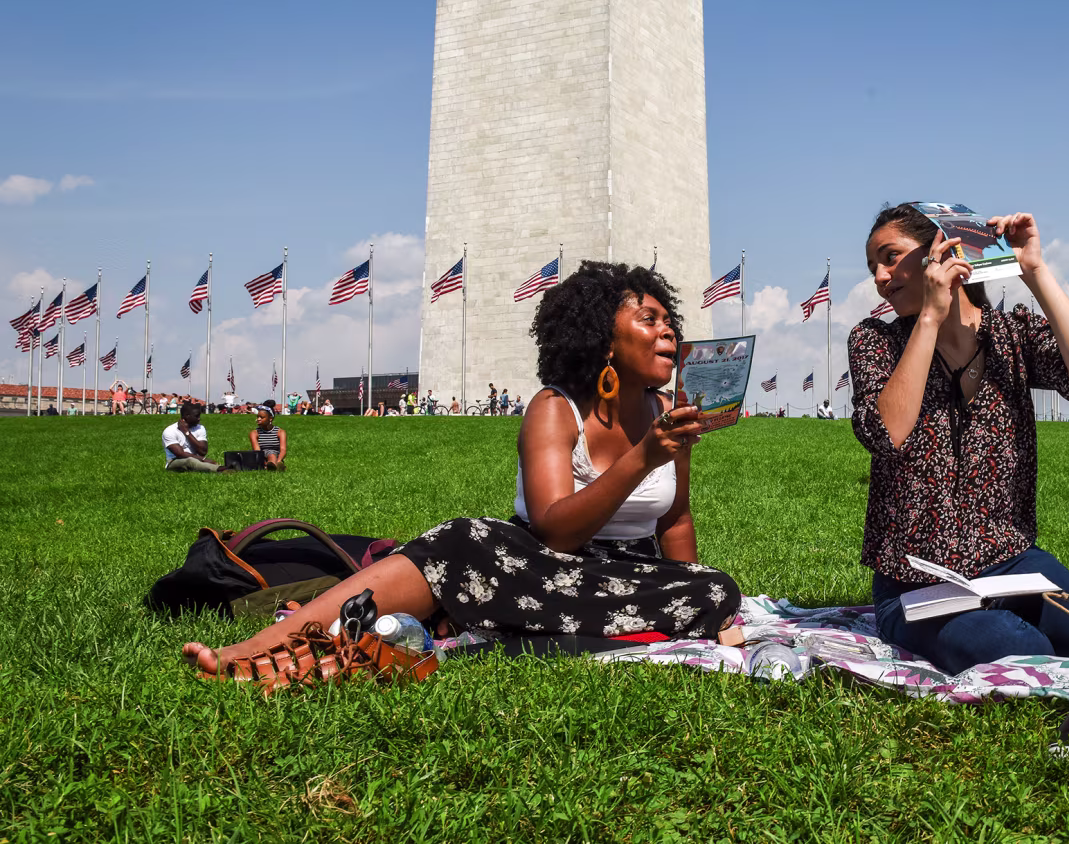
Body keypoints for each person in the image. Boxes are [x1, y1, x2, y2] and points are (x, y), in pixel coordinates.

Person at [183, 261, 741, 682]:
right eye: (649, 320)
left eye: (669, 321)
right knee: (462, 540)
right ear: (603, 341)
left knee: (718, 588)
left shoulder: (669, 414)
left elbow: (675, 520)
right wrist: (643, 456)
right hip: (538, 565)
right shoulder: (554, 408)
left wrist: (689, 589)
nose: (668, 331)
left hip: (620, 580)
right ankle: (260, 647)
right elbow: (555, 532)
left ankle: (477, 619)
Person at [848, 203, 1069, 676]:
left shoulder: (1013, 334)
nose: (880, 277)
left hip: (1012, 564)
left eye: (890, 257)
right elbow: (887, 432)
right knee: (1012, 646)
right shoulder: (875, 340)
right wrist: (929, 319)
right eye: (873, 267)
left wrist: (1035, 270)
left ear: (944, 251)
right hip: (914, 585)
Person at [164, 403, 224, 472]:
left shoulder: (200, 428)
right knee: (190, 461)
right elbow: (180, 454)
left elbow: (203, 451)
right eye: (196, 416)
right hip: (174, 462)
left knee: (193, 461)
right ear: (187, 416)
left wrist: (187, 432)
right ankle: (221, 469)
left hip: (197, 459)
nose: (199, 419)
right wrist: (203, 460)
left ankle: (227, 467)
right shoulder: (170, 431)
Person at [249, 405, 288, 470]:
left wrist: (279, 461)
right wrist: (262, 461)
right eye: (258, 417)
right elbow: (257, 450)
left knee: (272, 454)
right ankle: (270, 466)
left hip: (276, 456)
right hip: (260, 456)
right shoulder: (254, 433)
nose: (258, 419)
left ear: (270, 418)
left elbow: (283, 450)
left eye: (262, 417)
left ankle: (274, 465)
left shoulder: (280, 432)